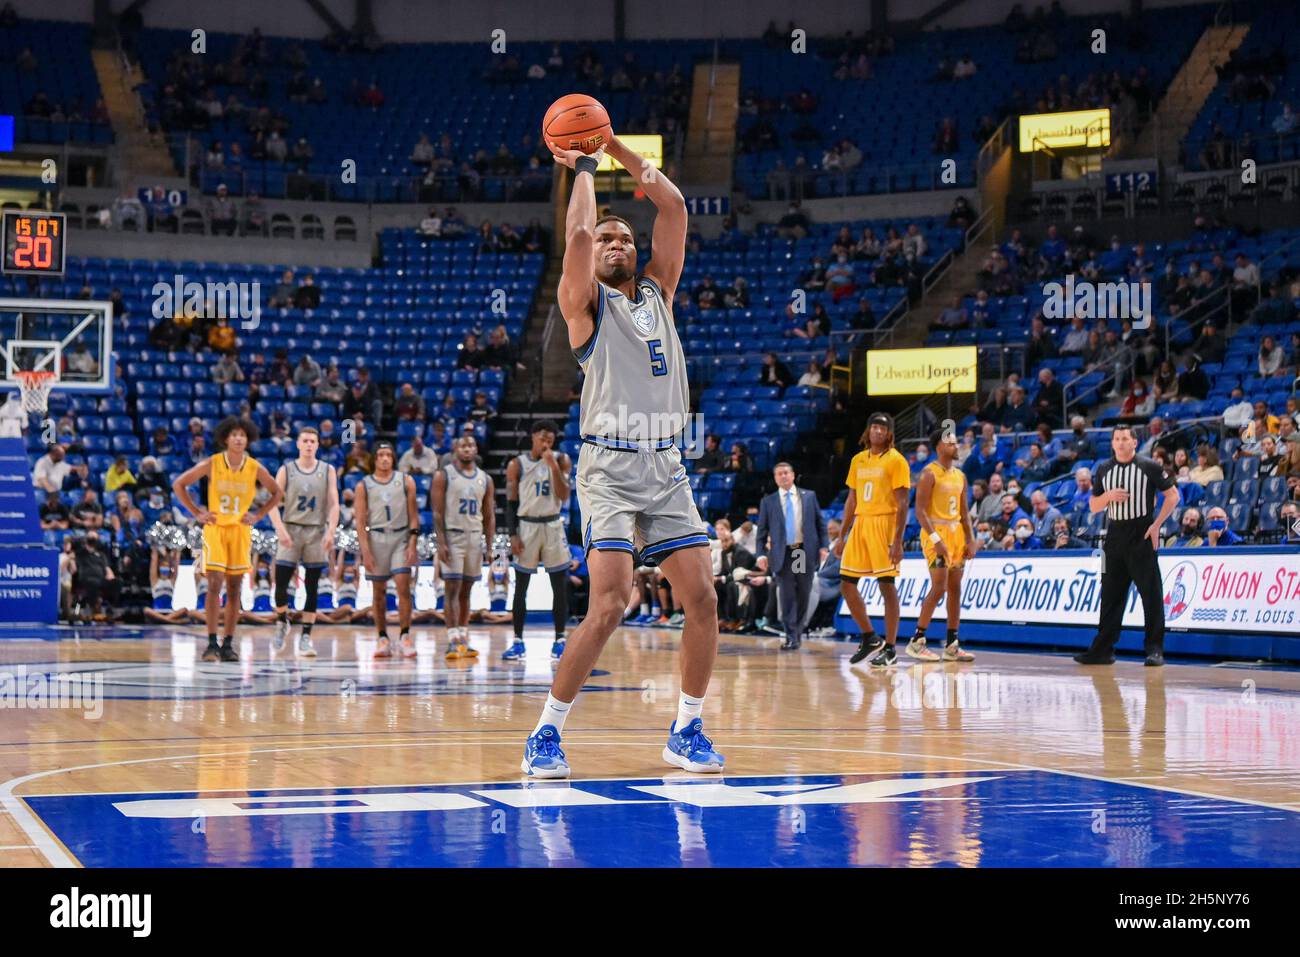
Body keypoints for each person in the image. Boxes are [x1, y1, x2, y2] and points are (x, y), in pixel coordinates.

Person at [523, 134, 721, 779]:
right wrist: (583, 167)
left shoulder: (659, 292)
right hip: (608, 467)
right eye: (608, 238)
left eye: (624, 239)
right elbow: (576, 239)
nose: (614, 244)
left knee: (704, 599)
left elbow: (676, 209)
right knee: (610, 602)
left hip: (666, 469)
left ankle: (686, 728)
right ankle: (547, 732)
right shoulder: (584, 307)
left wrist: (615, 146)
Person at [172, 416, 283, 662]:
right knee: (214, 585)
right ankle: (211, 644)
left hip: (240, 531)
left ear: (248, 439)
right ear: (225, 438)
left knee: (235, 588)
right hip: (215, 529)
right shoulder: (213, 463)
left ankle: (229, 644)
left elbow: (278, 492)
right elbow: (179, 484)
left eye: (242, 435)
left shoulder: (254, 466)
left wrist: (259, 515)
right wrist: (197, 513)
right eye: (234, 434)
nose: (238, 438)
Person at [1074, 425, 1179, 667]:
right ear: (1112, 443)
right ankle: (1102, 649)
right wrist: (1107, 497)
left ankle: (1154, 649)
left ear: (1134, 442)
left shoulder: (1148, 466)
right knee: (1110, 595)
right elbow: (1093, 506)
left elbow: (1173, 495)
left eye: (1125, 439)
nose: (1120, 443)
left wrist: (1156, 525)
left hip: (1141, 533)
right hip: (1113, 536)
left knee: (1151, 595)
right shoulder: (1103, 469)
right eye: (1117, 439)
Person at [836, 412, 910, 667]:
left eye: (883, 428)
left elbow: (903, 504)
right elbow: (851, 500)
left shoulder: (896, 460)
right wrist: (841, 535)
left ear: (889, 434)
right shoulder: (858, 460)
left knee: (886, 586)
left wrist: (898, 541)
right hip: (861, 523)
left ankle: (890, 647)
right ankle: (869, 636)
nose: (878, 431)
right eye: (874, 427)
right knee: (846, 584)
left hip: (884, 524)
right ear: (867, 431)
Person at [502, 420, 572, 662]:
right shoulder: (516, 465)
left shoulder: (561, 460)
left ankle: (560, 639)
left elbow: (564, 497)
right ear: (533, 437)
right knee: (521, 586)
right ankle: (518, 641)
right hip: (527, 526)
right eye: (542, 438)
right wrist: (512, 534)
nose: (546, 443)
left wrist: (553, 467)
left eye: (550, 440)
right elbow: (510, 502)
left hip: (553, 524)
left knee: (559, 586)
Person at [907, 427, 978, 662]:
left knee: (955, 590)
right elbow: (919, 511)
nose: (956, 447)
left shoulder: (960, 476)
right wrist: (936, 540)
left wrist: (970, 538)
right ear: (939, 447)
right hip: (934, 533)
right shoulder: (928, 473)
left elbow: (965, 512)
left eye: (957, 443)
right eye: (952, 443)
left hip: (956, 533)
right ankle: (917, 641)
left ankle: (952, 644)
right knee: (939, 587)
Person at [267, 427, 339, 657]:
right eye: (305, 441)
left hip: (315, 531)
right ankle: (281, 620)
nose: (309, 444)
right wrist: (280, 530)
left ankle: (306, 636)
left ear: (318, 445)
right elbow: (272, 503)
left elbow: (334, 503)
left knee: (312, 585)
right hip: (290, 529)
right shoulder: (286, 470)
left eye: (313, 441)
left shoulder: (327, 470)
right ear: (298, 444)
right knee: (280, 582)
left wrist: (331, 531)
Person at [356, 442, 420, 658]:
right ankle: (382, 637)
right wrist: (365, 551)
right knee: (379, 592)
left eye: (388, 455)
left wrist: (413, 542)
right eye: (381, 455)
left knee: (403, 586)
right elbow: (360, 521)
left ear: (393, 459)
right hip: (376, 537)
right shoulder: (364, 485)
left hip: (401, 536)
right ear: (374, 459)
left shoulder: (406, 481)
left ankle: (405, 635)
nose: (384, 459)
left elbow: (414, 515)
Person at [755, 462, 828, 651]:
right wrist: (761, 554)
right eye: (779, 474)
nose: (783, 476)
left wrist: (824, 546)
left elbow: (820, 524)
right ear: (775, 478)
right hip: (782, 553)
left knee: (803, 593)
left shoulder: (808, 496)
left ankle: (797, 630)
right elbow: (761, 532)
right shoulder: (768, 501)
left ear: (793, 475)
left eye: (786, 472)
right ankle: (791, 635)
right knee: (787, 596)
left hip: (801, 551)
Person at [434, 435, 494, 660]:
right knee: (452, 588)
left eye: (471, 445)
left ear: (476, 449)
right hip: (453, 536)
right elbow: (437, 512)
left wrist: (489, 546)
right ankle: (452, 639)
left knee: (467, 590)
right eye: (463, 446)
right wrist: (441, 541)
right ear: (455, 449)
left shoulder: (485, 479)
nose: (467, 449)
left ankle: (464, 636)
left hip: (475, 538)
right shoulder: (443, 475)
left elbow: (489, 516)